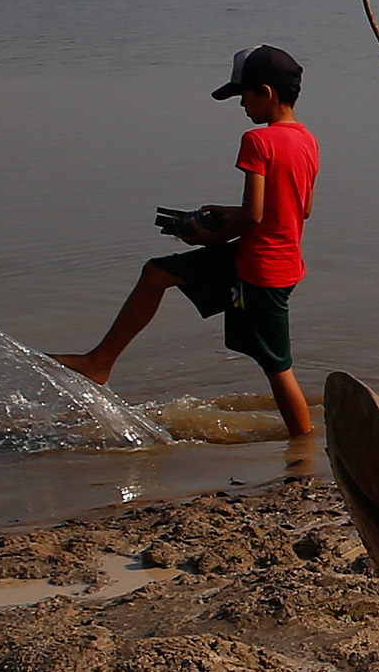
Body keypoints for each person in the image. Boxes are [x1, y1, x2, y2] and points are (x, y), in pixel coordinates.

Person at [58, 43, 319, 438]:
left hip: (262, 269)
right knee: (156, 273)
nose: (242, 106)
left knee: (277, 366)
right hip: (269, 256)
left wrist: (209, 237)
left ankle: (303, 451)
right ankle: (100, 361)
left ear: (265, 93)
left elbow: (254, 215)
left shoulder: (257, 141)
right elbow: (299, 209)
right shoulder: (306, 140)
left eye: (243, 96)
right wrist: (227, 215)